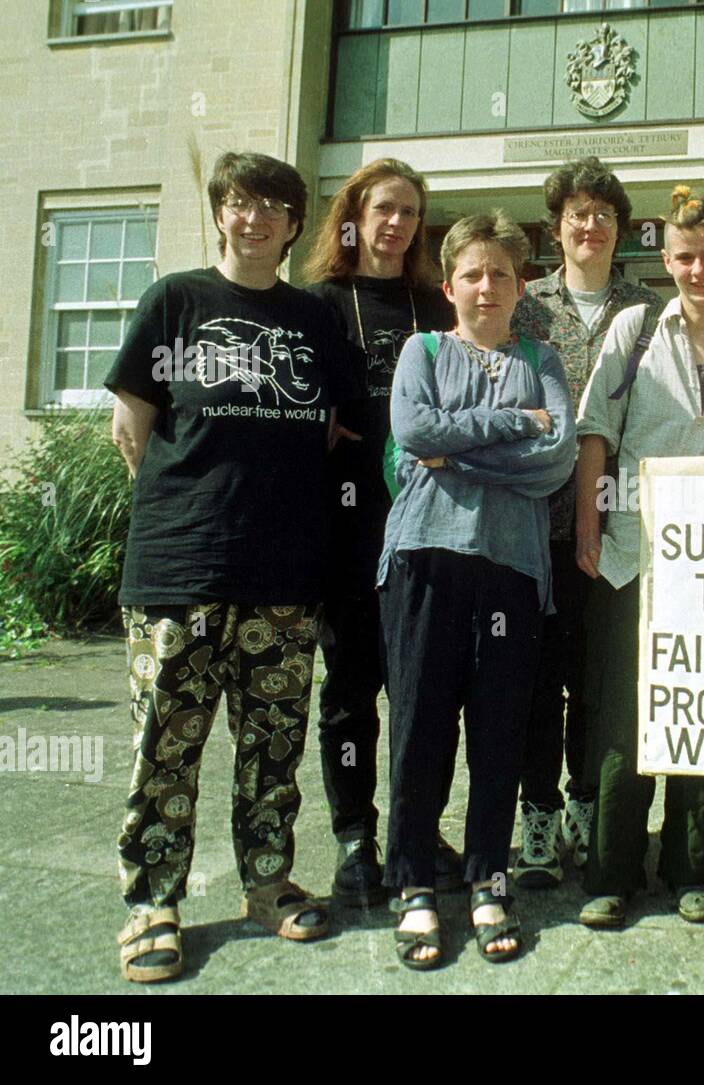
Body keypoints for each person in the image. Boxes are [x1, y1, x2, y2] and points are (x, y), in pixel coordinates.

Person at [106, 151, 361, 982]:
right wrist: (192, 506)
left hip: (285, 578)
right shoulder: (175, 300)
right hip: (178, 573)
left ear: (293, 226)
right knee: (166, 749)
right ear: (220, 212)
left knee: (273, 748)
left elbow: (330, 428)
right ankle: (152, 901)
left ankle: (267, 881)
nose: (254, 219)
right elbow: (130, 430)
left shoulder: (315, 319)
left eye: (273, 207)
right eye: (239, 203)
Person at [379, 211, 575, 967]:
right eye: (472, 273)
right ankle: (416, 883)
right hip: (426, 559)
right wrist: (505, 425)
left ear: (519, 285)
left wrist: (461, 453)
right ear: (449, 281)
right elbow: (414, 432)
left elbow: (554, 459)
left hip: (512, 567)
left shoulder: (544, 360)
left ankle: (488, 875)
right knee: (421, 723)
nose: (486, 286)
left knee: (501, 729)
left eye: (500, 273)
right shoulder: (420, 349)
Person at [574, 186, 704, 930]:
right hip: (635, 553)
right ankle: (613, 872)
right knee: (625, 721)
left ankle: (694, 868)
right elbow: (595, 431)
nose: (698, 268)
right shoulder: (633, 328)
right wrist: (587, 523)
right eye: (684, 256)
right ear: (666, 258)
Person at [302, 159, 458, 906]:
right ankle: (354, 838)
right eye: (383, 209)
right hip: (346, 530)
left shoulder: (436, 304)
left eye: (409, 212)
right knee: (351, 691)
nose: (396, 223)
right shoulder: (317, 305)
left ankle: (417, 829)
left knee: (423, 692)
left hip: (428, 529)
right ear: (353, 218)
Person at [511, 158, 663, 887]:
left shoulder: (651, 308)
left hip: (617, 529)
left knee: (598, 678)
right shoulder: (526, 305)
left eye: (604, 213)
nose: (591, 224)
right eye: (578, 212)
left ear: (620, 229)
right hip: (534, 525)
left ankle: (584, 801)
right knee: (539, 679)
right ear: (558, 226)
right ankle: (535, 812)